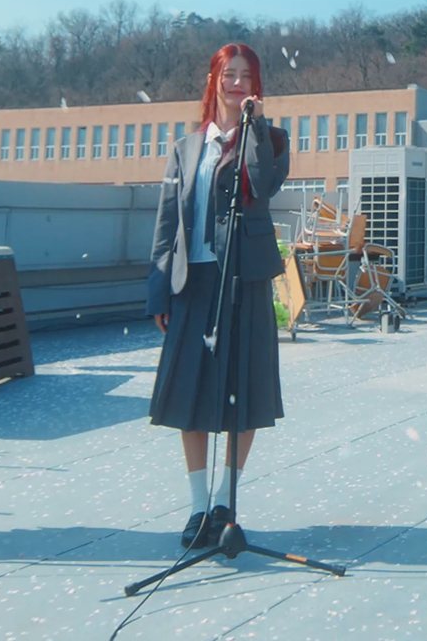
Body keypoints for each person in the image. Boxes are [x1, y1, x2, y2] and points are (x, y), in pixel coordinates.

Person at [145, 43, 290, 549]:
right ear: (214, 80)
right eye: (228, 74)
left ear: (257, 84)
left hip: (245, 280)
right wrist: (159, 291)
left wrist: (254, 126)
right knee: (190, 395)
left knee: (243, 391)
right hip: (194, 281)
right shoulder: (187, 148)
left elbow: (263, 184)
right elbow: (168, 222)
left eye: (246, 75)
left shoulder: (271, 137)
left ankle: (226, 501)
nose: (236, 83)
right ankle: (196, 508)